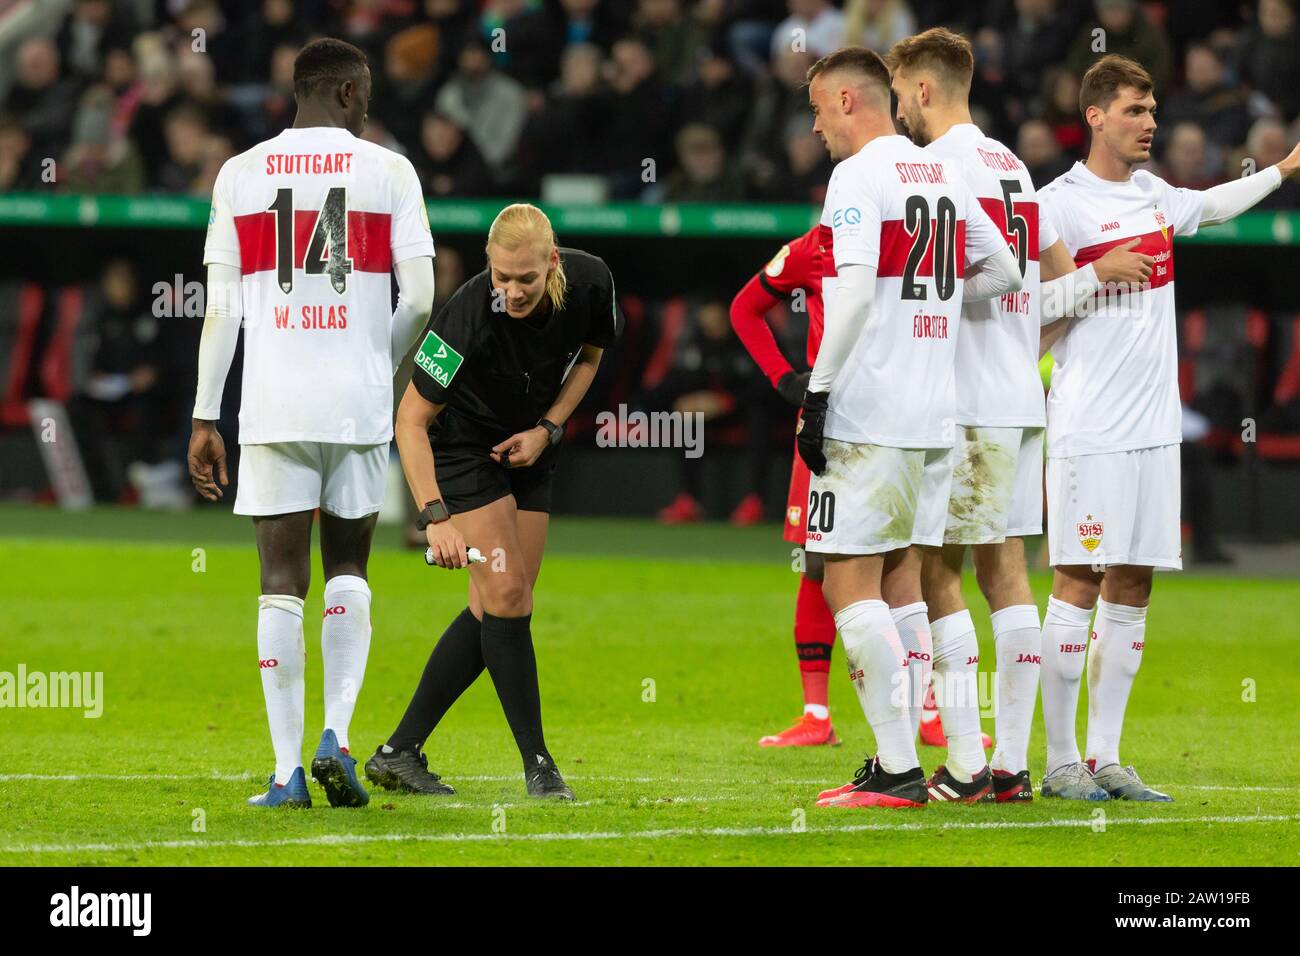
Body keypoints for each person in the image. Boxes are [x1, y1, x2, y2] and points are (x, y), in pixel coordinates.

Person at [885, 28, 1152, 803]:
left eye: (901, 94)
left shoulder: (930, 168)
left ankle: (969, 763)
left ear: (925, 89)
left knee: (936, 571)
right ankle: (1009, 767)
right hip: (1016, 396)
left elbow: (949, 288)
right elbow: (1052, 287)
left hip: (958, 400)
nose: (899, 108)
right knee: (1006, 573)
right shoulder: (1011, 166)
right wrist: (1020, 343)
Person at [1035, 54, 1300, 801]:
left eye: (1152, 110)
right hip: (1089, 425)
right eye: (1134, 110)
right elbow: (1028, 317)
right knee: (1079, 578)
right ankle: (1058, 761)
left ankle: (1106, 755)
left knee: (1134, 580)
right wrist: (1093, 274)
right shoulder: (1056, 204)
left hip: (1154, 429)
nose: (1150, 123)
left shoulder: (1154, 195)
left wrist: (1285, 168)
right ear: (1094, 116)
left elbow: (1213, 205)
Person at [187, 38, 437, 809]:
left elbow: (223, 308)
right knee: (350, 570)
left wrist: (205, 412)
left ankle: (286, 772)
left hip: (273, 405)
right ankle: (339, 734)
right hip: (356, 407)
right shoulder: (389, 170)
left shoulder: (239, 173)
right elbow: (422, 299)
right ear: (351, 95)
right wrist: (372, 361)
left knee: (278, 583)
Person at [794, 46, 1023, 809]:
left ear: (851, 101)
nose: (817, 126)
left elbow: (854, 294)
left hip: (871, 410)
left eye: (821, 109)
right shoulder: (942, 170)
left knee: (843, 580)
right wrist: (934, 308)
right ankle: (961, 757)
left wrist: (819, 393)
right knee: (908, 585)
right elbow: (1007, 272)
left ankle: (894, 767)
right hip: (936, 415)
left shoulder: (857, 176)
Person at [366, 203, 622, 801]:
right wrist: (436, 518)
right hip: (462, 449)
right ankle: (539, 767)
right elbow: (409, 420)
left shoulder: (590, 282)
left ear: (552, 263)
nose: (510, 291)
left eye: (525, 279)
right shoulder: (465, 318)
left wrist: (549, 429)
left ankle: (399, 751)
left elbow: (589, 356)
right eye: (501, 277)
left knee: (499, 605)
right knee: (506, 594)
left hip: (530, 443)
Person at [729, 227, 841, 746]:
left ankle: (928, 711)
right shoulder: (812, 247)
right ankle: (816, 714)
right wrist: (782, 378)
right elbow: (743, 309)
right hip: (824, 420)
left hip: (901, 416)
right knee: (813, 562)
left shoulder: (913, 236)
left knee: (909, 563)